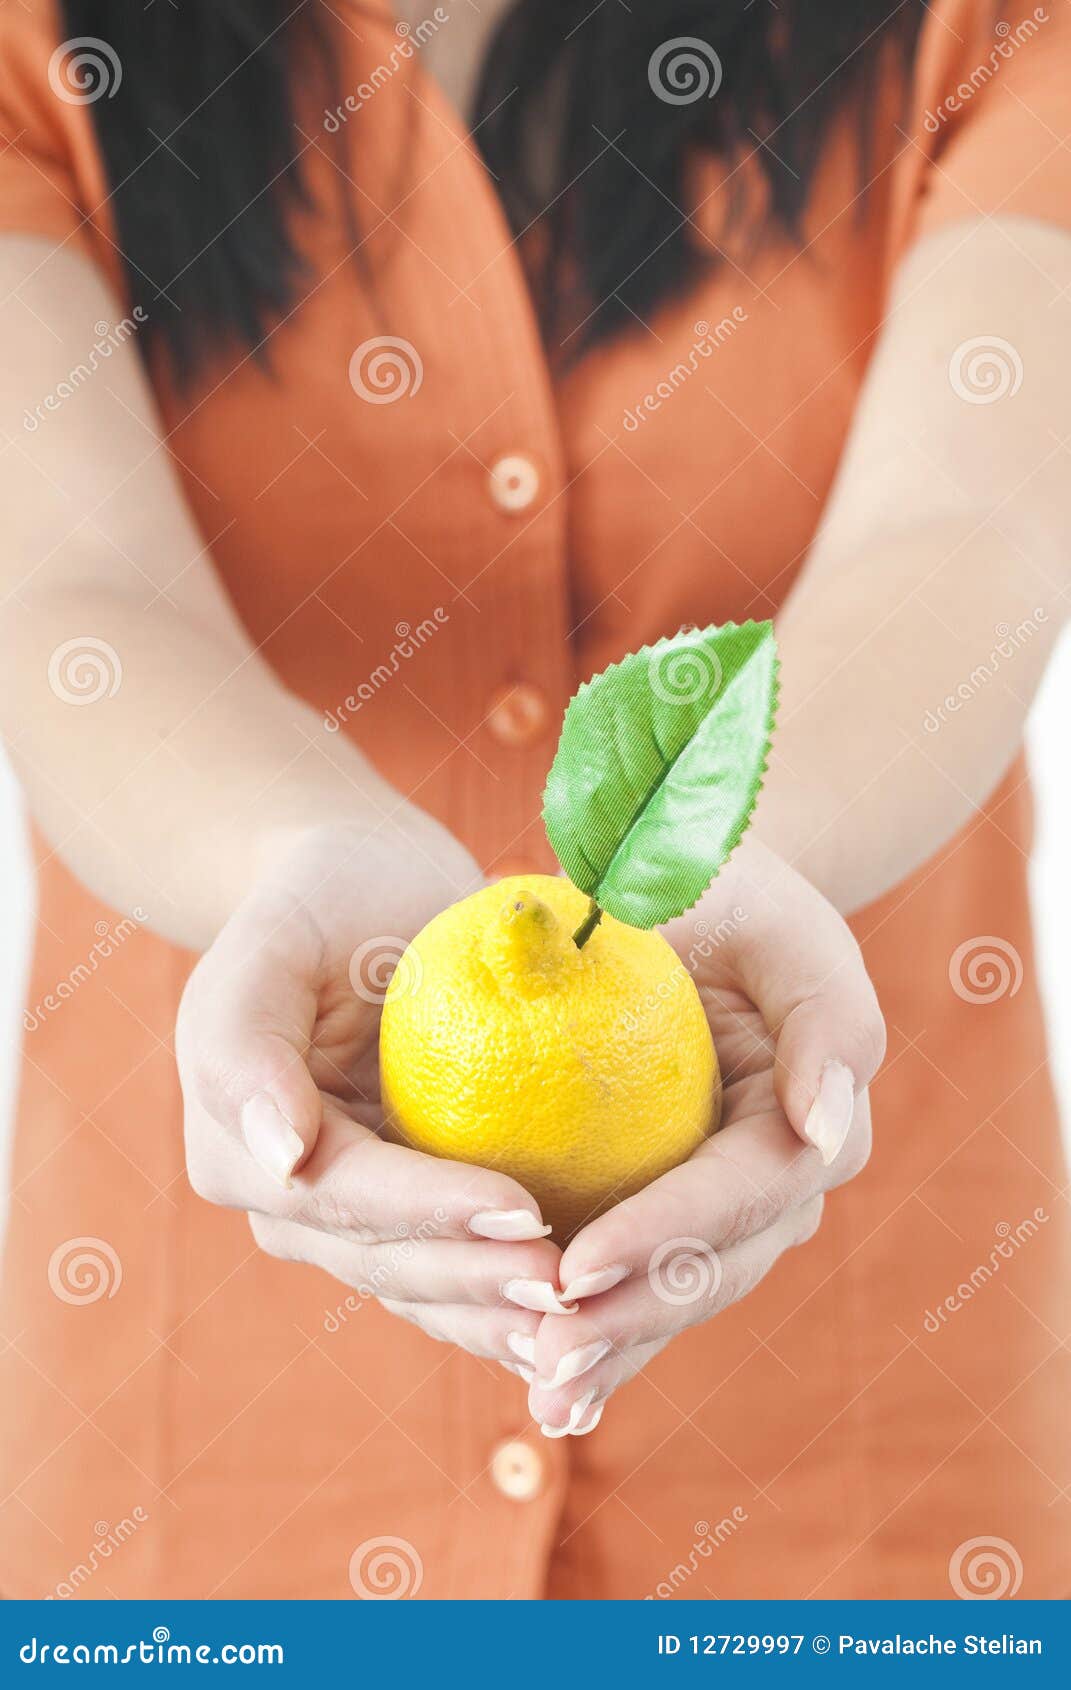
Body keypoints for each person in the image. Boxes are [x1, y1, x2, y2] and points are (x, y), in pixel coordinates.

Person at [0, 0, 1068, 1600]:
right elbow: (73, 587)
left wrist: (730, 853)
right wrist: (295, 861)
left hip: (852, 1455)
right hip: (213, 1455)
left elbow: (966, 534)